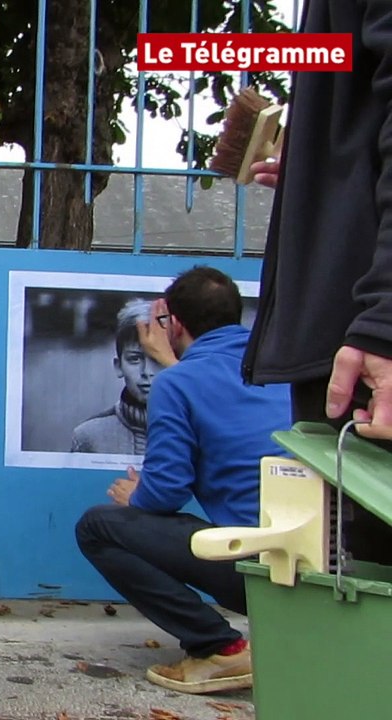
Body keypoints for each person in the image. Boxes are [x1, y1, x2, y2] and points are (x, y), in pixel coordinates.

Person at [76, 266, 292, 695]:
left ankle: (220, 648)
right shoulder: (280, 367)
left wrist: (137, 495)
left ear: (172, 324)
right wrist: (173, 364)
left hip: (260, 573)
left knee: (96, 527)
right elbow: (220, 395)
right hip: (316, 567)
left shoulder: (177, 383)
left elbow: (165, 493)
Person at [244, 1, 392, 565]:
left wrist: (385, 320)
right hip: (356, 325)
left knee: (363, 580)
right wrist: (326, 173)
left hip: (364, 337)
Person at [71, 299, 160, 455]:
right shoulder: (89, 436)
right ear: (119, 366)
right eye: (134, 359)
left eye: (157, 359)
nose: (147, 372)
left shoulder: (197, 432)